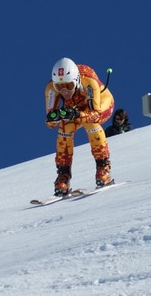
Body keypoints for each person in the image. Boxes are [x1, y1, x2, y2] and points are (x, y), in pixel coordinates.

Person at [45, 57, 115, 196]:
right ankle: (63, 175)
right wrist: (56, 117)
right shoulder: (51, 89)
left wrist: (76, 114)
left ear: (76, 80)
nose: (64, 91)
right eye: (60, 87)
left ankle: (103, 168)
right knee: (64, 128)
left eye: (69, 85)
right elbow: (50, 123)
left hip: (100, 103)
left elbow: (95, 114)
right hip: (75, 109)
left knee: (91, 123)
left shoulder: (88, 82)